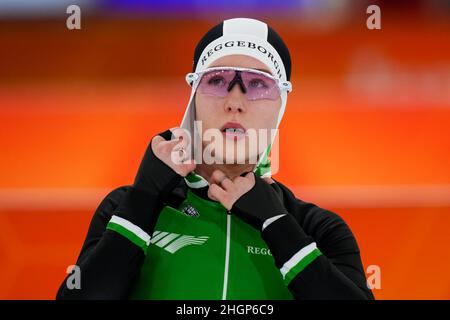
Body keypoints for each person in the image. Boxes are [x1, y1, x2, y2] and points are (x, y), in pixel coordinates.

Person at [56, 17, 374, 300]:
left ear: (281, 105)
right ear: (193, 97)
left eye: (258, 84)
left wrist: (278, 226)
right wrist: (143, 199)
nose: (235, 102)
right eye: (218, 80)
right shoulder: (126, 207)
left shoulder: (318, 229)